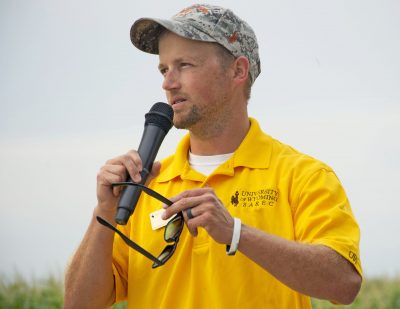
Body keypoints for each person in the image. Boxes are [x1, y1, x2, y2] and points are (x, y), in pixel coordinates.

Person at [64, 4, 362, 308]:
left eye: (185, 65)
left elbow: (344, 283)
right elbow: (78, 304)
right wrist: (104, 211)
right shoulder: (140, 187)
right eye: (164, 69)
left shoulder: (303, 175)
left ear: (238, 70)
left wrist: (236, 233)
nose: (168, 83)